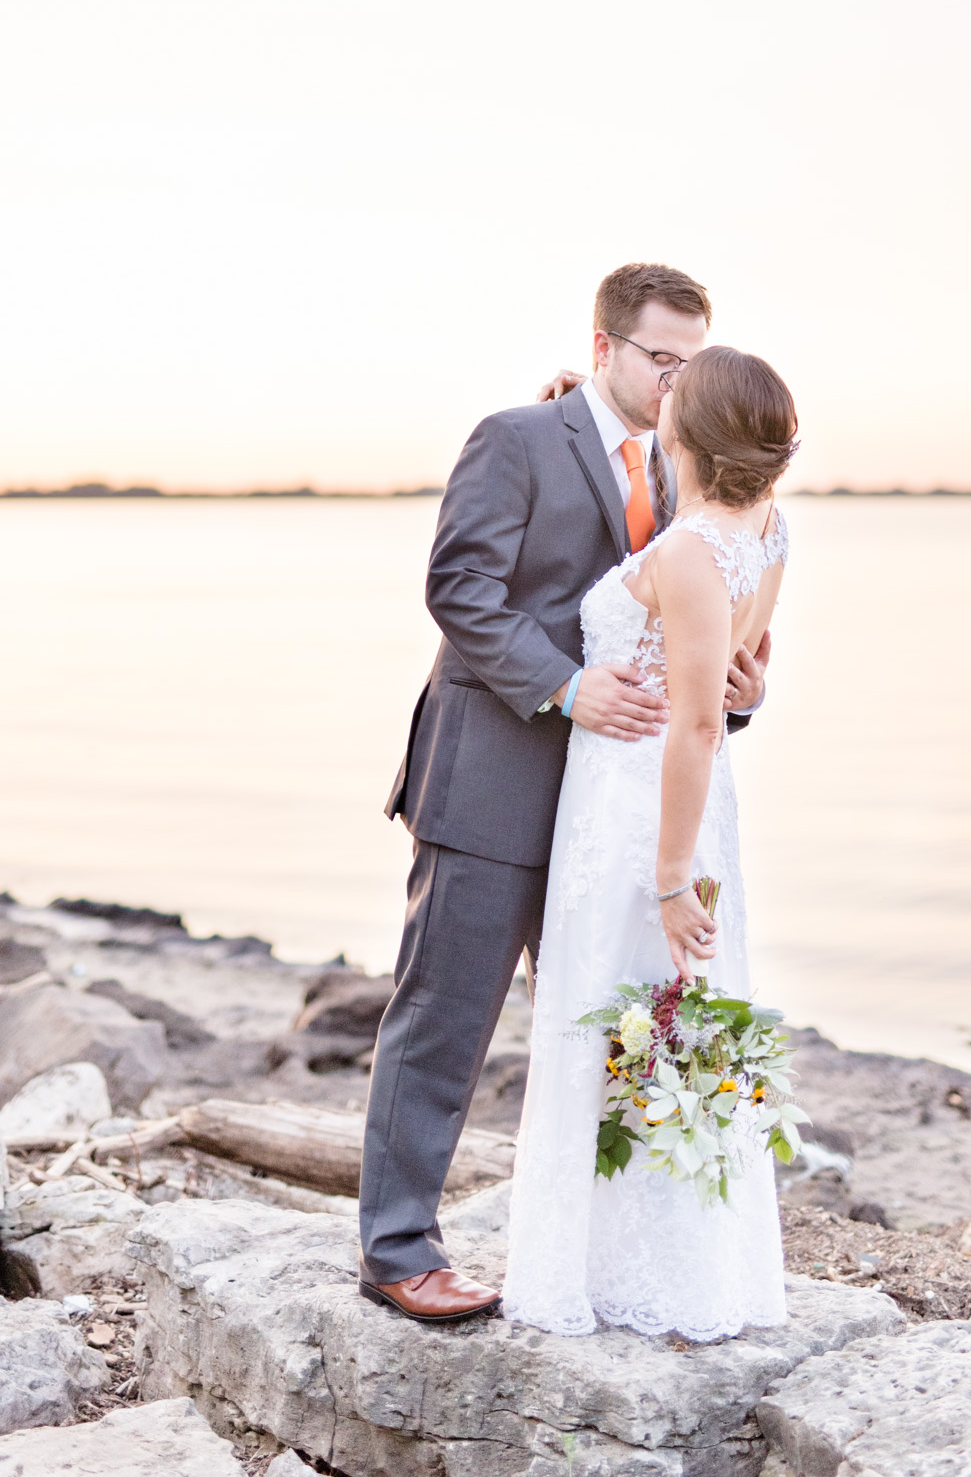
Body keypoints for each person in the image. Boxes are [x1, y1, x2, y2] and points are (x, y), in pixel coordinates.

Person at [357, 263, 768, 1323]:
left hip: (616, 805)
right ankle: (398, 1248)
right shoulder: (518, 436)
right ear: (603, 346)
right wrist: (564, 683)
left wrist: (741, 686)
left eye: (690, 359)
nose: (677, 379)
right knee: (441, 1022)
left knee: (621, 1026)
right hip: (492, 778)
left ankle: (601, 1257)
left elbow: (694, 618)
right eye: (657, 357)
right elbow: (459, 587)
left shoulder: (687, 476)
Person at [501, 344, 798, 1339]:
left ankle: (603, 1266)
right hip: (687, 808)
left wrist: (671, 879)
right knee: (671, 1021)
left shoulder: (683, 552)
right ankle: (685, 1262)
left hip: (640, 817)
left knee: (614, 1014)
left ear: (686, 433)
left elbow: (699, 720)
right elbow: (738, 676)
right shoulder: (765, 535)